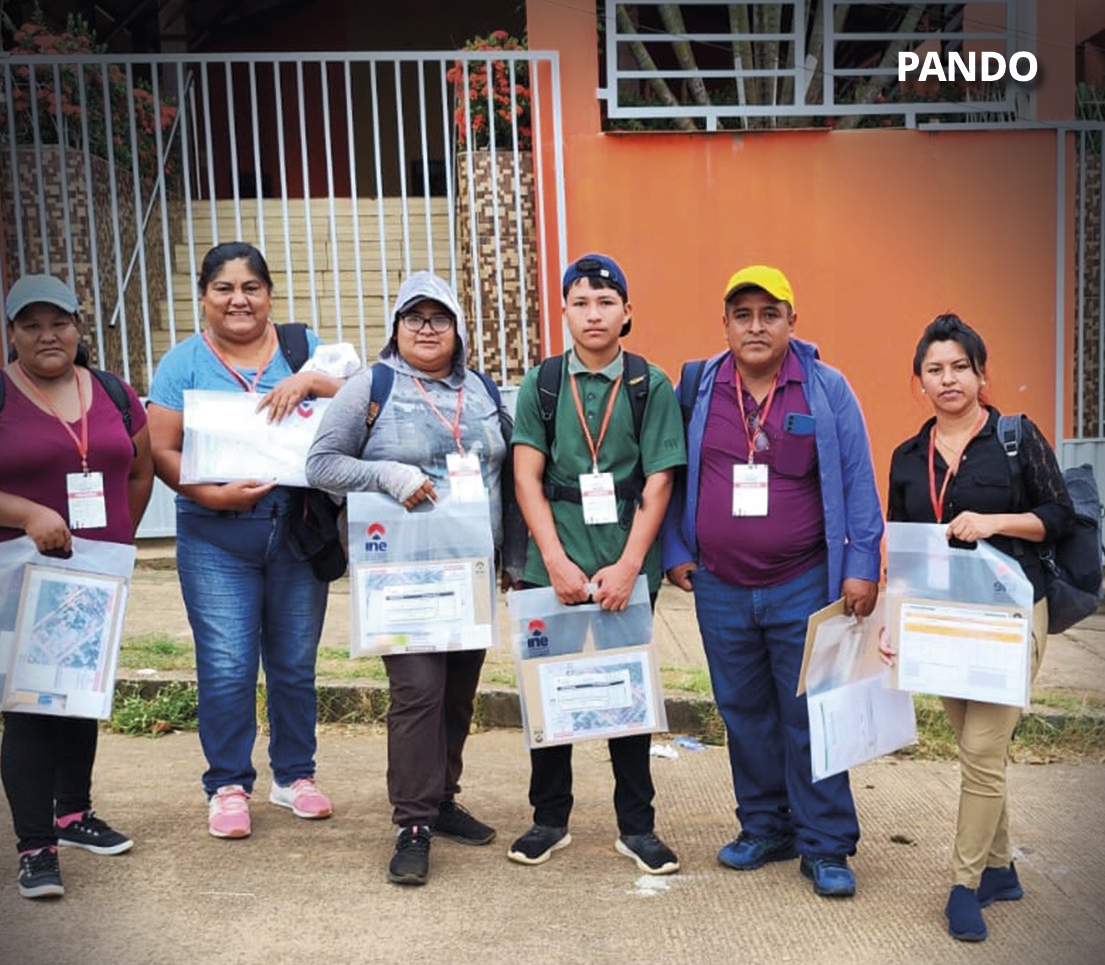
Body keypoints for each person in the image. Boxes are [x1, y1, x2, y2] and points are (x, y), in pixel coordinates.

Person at [0, 273, 153, 899]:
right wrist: (26, 513)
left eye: (60, 323)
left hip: (91, 573)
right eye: (32, 325)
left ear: (79, 329)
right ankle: (36, 846)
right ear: (13, 334)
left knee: (80, 696)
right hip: (14, 578)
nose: (48, 335)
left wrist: (118, 538)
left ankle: (73, 816)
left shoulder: (112, 390)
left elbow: (138, 469)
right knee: (28, 710)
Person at [663, 265, 882, 897]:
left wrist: (861, 565)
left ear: (792, 320)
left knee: (812, 712)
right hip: (721, 587)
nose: (755, 326)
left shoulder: (825, 388)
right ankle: (765, 826)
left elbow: (859, 482)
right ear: (725, 323)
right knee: (744, 713)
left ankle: (826, 843)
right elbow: (674, 473)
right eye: (743, 314)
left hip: (803, 581)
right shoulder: (700, 386)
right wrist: (677, 548)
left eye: (769, 314)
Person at [307, 270, 522, 885]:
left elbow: (502, 475)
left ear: (458, 329)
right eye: (414, 318)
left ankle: (443, 798)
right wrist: (387, 476)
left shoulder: (481, 390)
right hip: (400, 578)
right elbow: (320, 463)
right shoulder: (368, 387)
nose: (427, 329)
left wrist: (512, 561)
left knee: (457, 694)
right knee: (419, 692)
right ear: (396, 329)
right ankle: (412, 824)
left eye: (440, 318)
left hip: (469, 572)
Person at [882, 313, 1073, 940]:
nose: (948, 379)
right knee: (978, 753)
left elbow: (1058, 517)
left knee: (982, 752)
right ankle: (1001, 868)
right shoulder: (908, 457)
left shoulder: (1016, 438)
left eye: (959, 366)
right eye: (934, 369)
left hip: (1012, 615)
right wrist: (893, 618)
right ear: (920, 381)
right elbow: (901, 545)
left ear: (981, 373)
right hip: (942, 620)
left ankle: (964, 885)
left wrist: (994, 522)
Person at [146, 242, 343, 839]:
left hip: (297, 529)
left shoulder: (302, 348)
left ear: (269, 295)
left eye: (251, 287)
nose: (239, 299)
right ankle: (228, 783)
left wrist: (310, 381)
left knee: (293, 664)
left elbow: (364, 403)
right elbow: (160, 449)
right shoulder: (182, 364)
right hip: (215, 534)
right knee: (228, 665)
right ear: (204, 297)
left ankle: (293, 776)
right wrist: (210, 495)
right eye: (225, 288)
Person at [507, 253, 687, 875]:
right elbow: (526, 477)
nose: (593, 314)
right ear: (564, 312)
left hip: (625, 567)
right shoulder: (543, 383)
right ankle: (548, 819)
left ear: (627, 312)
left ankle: (637, 827)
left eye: (606, 303)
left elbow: (660, 481)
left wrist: (631, 565)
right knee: (547, 695)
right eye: (581, 303)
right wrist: (553, 560)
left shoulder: (648, 385)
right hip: (550, 565)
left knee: (626, 695)